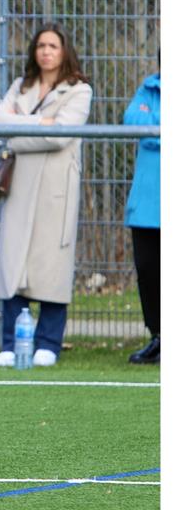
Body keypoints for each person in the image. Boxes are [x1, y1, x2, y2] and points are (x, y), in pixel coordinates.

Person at [0, 22, 92, 368]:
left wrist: (18, 132)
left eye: (53, 46)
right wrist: (42, 124)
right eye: (41, 45)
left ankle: (48, 342)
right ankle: (9, 344)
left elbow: (60, 137)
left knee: (51, 264)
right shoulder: (22, 85)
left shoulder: (79, 90)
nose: (46, 51)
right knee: (12, 261)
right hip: (19, 186)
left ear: (64, 51)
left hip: (56, 189)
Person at [124, 55, 160, 365]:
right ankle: (159, 337)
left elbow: (152, 129)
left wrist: (157, 128)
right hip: (148, 205)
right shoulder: (149, 89)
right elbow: (133, 120)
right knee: (149, 272)